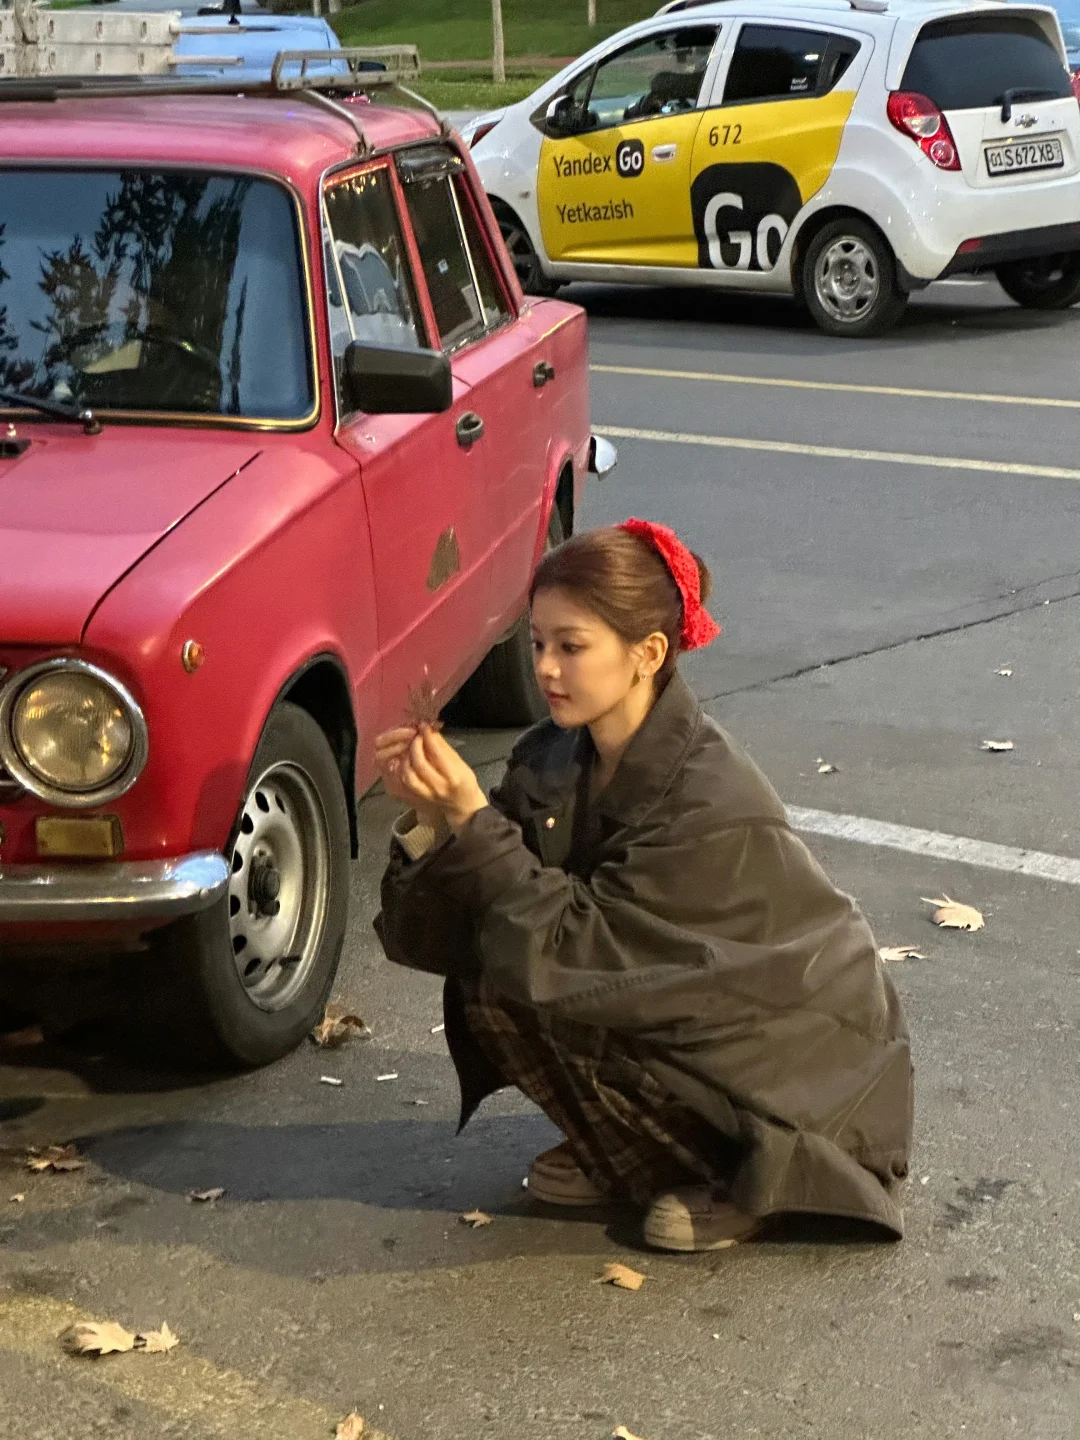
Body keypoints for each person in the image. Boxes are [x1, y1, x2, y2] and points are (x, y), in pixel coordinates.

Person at [374, 520, 913, 1253]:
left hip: (802, 1075)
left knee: (544, 971)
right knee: (492, 972)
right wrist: (432, 824)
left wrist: (474, 821)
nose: (546, 668)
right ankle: (624, 1159)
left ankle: (748, 1183)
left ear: (648, 653)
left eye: (572, 646)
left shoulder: (708, 794)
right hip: (691, 1015)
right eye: (537, 642)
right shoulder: (554, 755)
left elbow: (586, 956)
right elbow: (450, 933)